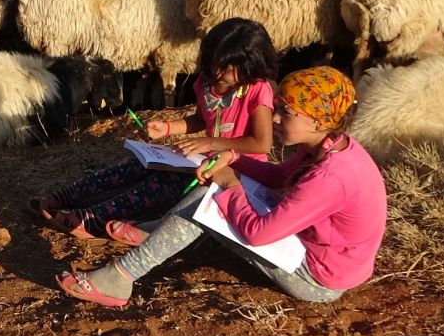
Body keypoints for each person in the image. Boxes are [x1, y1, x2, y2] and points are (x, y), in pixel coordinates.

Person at [56, 66, 386, 308]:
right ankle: (156, 235)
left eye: (287, 113)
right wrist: (230, 157)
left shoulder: (330, 177)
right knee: (213, 195)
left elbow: (259, 233)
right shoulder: (329, 146)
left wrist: (228, 181)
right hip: (328, 256)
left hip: (317, 278)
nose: (275, 119)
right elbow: (279, 178)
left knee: (210, 202)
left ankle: (122, 276)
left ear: (318, 120)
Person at [32, 18, 278, 242]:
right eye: (215, 64)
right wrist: (169, 128)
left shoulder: (258, 90)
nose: (217, 73)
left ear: (252, 67)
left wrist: (212, 143)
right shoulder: (208, 81)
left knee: (162, 182)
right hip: (207, 158)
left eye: (227, 69)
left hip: (240, 171)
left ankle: (92, 219)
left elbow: (261, 143)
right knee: (136, 165)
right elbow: (203, 118)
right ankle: (66, 196)